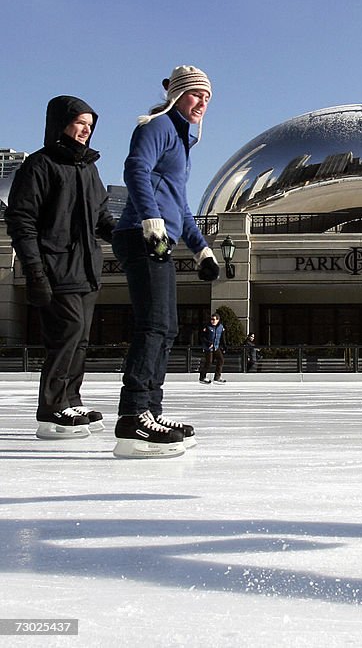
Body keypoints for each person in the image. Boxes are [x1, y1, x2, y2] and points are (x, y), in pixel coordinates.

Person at [111, 66, 220, 458]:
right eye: (195, 95)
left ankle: (151, 411)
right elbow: (134, 169)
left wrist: (201, 249)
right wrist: (149, 219)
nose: (203, 103)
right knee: (154, 324)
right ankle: (133, 415)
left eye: (207, 97)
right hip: (140, 236)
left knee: (167, 326)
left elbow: (181, 205)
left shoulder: (182, 140)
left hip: (161, 237)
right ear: (177, 95)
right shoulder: (157, 126)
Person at [5, 96, 117, 440]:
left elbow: (101, 218)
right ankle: (51, 407)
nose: (84, 130)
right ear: (60, 124)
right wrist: (35, 272)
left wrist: (127, 236)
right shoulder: (40, 165)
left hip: (86, 267)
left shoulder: (89, 168)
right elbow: (21, 220)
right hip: (54, 265)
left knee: (80, 339)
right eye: (78, 122)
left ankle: (71, 398)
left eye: (89, 124)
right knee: (66, 335)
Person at [199, 312, 227, 383]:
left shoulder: (221, 327)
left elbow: (222, 337)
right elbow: (202, 337)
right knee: (209, 362)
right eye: (211, 319)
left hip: (216, 347)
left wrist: (224, 346)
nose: (212, 321)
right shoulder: (207, 327)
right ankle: (202, 377)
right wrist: (208, 343)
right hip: (208, 347)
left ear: (218, 320)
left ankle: (217, 377)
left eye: (214, 319)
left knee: (221, 360)